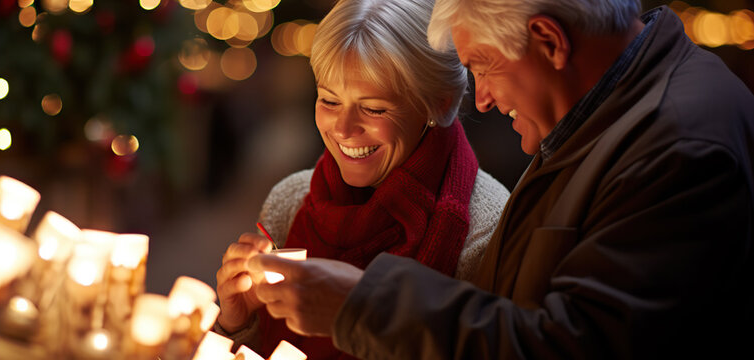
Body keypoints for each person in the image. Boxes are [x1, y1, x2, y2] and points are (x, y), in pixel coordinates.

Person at [247, 0, 754, 358]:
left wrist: (363, 303)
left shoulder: (678, 151)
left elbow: (573, 345)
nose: (481, 99)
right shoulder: (611, 118)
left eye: (483, 68)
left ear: (549, 41)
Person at [213, 0, 511, 358]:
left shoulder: (485, 228)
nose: (342, 129)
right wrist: (236, 323)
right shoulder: (290, 200)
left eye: (373, 108)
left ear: (440, 104)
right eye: (329, 101)